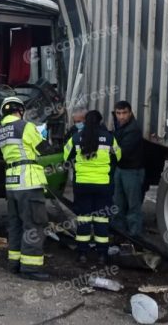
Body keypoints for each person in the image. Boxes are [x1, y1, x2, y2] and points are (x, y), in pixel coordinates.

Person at [0, 96, 51, 281]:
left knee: (16, 225)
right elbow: (44, 148)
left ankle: (15, 263)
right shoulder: (25, 126)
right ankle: (31, 267)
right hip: (28, 182)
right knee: (34, 224)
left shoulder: (1, 132)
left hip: (11, 184)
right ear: (19, 111)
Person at [64, 110, 121, 265]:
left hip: (82, 185)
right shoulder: (109, 138)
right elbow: (119, 156)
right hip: (103, 185)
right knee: (101, 220)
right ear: (100, 122)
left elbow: (65, 156)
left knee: (84, 219)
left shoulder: (76, 138)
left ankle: (82, 254)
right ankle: (102, 255)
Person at [111, 100, 145, 238]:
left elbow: (121, 151)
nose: (121, 116)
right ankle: (119, 232)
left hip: (132, 171)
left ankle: (134, 235)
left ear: (130, 113)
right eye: (118, 113)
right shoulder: (120, 125)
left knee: (133, 205)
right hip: (121, 169)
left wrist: (108, 147)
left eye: (124, 113)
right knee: (118, 203)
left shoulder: (133, 129)